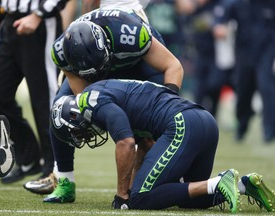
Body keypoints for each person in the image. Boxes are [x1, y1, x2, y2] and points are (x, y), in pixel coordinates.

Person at [47, 79, 275, 213]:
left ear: (73, 116)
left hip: (183, 123)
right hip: (204, 121)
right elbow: (144, 143)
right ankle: (243, 185)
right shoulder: (111, 91)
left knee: (140, 199)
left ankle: (219, 180)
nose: (81, 136)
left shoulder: (91, 99)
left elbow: (126, 143)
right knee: (192, 200)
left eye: (75, 131)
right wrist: (130, 185)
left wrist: (122, 195)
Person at [23, 7, 183, 195]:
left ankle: (165, 175)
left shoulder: (132, 35)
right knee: (60, 111)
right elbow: (86, 98)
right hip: (91, 69)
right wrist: (92, 116)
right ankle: (64, 180)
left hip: (136, 63)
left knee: (152, 127)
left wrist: (166, 103)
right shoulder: (61, 51)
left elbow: (173, 66)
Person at [0, 0, 69, 184]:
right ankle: (28, 156)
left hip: (41, 24)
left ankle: (54, 167)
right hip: (9, 23)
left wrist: (38, 15)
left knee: (45, 98)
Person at [213, 0, 275, 142]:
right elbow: (220, 21)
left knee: (267, 88)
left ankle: (270, 130)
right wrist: (220, 27)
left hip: (269, 52)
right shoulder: (237, 3)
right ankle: (242, 126)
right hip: (244, 53)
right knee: (243, 90)